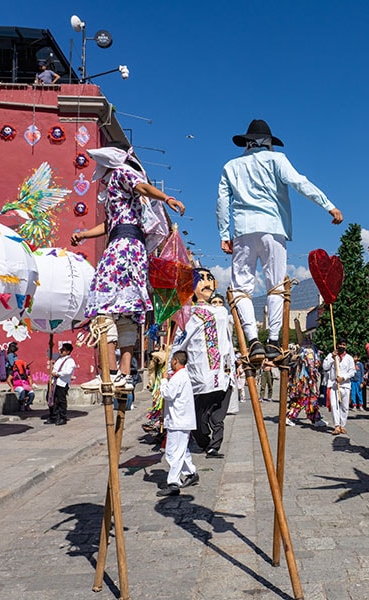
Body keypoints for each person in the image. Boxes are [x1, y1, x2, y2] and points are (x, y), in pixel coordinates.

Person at [216, 119, 343, 363]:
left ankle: (254, 341)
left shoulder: (231, 166)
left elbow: (222, 201)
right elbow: (300, 183)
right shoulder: (277, 160)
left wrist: (224, 234)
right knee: (275, 285)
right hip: (274, 228)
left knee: (242, 288)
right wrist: (328, 205)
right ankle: (273, 341)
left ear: (248, 142)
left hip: (243, 229)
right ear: (268, 142)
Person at [74, 141, 184, 391]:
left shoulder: (122, 173)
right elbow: (110, 224)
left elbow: (142, 187)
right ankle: (123, 375)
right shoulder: (115, 188)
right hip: (127, 245)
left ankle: (112, 371)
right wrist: (85, 235)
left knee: (102, 305)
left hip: (123, 247)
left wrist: (166, 197)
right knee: (125, 311)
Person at [172, 267, 235, 459]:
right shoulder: (188, 313)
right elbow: (179, 342)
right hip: (201, 374)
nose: (206, 282)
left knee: (218, 415)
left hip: (222, 373)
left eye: (210, 278)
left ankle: (214, 446)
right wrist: (169, 368)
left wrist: (233, 365)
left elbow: (228, 341)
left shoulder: (222, 312)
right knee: (199, 417)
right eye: (201, 279)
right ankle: (203, 441)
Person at [157, 351, 200, 497]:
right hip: (180, 419)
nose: (170, 364)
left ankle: (173, 482)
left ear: (175, 361)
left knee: (173, 452)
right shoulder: (181, 376)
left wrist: (163, 381)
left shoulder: (179, 376)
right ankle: (191, 472)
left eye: (171, 361)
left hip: (179, 420)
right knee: (182, 450)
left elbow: (168, 394)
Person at [286, 344, 327, 427]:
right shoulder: (304, 350)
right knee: (302, 398)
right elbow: (309, 365)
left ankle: (315, 418)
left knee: (311, 399)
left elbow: (315, 364)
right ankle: (289, 416)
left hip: (310, 380)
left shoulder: (312, 349)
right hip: (304, 379)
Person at [325, 339, 356, 436]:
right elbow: (325, 367)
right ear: (337, 345)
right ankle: (337, 426)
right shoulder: (331, 356)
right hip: (334, 385)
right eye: (340, 344)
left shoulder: (349, 358)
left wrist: (343, 378)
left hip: (345, 385)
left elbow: (352, 371)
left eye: (344, 345)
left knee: (345, 407)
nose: (342, 346)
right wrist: (332, 358)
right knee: (334, 405)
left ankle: (342, 425)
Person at [48, 343, 76, 426]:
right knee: (51, 399)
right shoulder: (59, 359)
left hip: (62, 383)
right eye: (61, 349)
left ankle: (62, 417)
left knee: (61, 400)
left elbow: (68, 372)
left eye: (63, 350)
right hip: (53, 382)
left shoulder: (70, 361)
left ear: (68, 351)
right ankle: (53, 416)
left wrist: (58, 374)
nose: (61, 351)